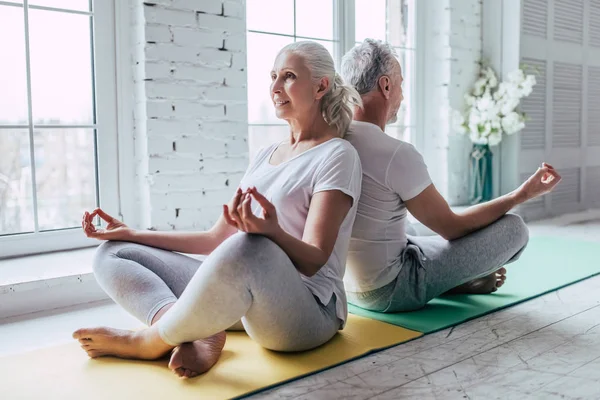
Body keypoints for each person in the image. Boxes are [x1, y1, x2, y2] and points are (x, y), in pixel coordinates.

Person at [73, 41, 363, 378]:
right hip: (245, 302)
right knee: (112, 254)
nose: (274, 88)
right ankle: (194, 330)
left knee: (250, 246)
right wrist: (133, 234)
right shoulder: (266, 154)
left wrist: (272, 233)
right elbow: (215, 238)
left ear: (321, 86)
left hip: (305, 314)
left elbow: (314, 260)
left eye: (288, 76)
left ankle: (150, 341)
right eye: (273, 76)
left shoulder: (337, 155)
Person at [339, 39, 561, 313]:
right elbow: (452, 227)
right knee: (515, 229)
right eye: (400, 85)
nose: (402, 95)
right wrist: (521, 194)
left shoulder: (334, 140)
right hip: (391, 291)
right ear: (385, 86)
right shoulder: (396, 153)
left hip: (348, 285)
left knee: (408, 226)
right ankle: (452, 280)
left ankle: (453, 280)